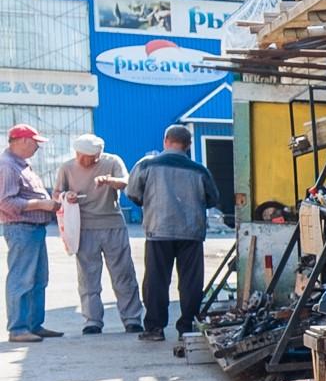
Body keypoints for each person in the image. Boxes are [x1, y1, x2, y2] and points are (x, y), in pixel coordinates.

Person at [127, 124, 218, 344]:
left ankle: (155, 328)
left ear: (166, 140)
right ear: (188, 146)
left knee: (157, 280)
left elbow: (133, 194)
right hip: (191, 233)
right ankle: (187, 328)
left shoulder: (146, 165)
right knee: (190, 282)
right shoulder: (200, 170)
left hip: (159, 230)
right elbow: (213, 199)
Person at [56, 134, 144, 335]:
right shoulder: (67, 167)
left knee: (123, 273)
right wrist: (65, 196)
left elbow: (125, 182)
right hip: (83, 227)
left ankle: (132, 319)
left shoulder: (112, 162)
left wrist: (109, 181)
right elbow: (57, 192)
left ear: (99, 154)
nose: (84, 160)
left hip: (112, 224)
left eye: (89, 157)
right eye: (80, 155)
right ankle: (92, 321)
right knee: (88, 276)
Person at [0, 124, 63, 344]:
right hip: (21, 229)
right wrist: (41, 204)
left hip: (33, 229)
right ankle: (18, 329)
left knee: (38, 279)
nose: (37, 147)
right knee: (21, 279)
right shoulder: (7, 166)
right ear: (24, 141)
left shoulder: (22, 165)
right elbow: (6, 202)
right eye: (36, 142)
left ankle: (34, 325)